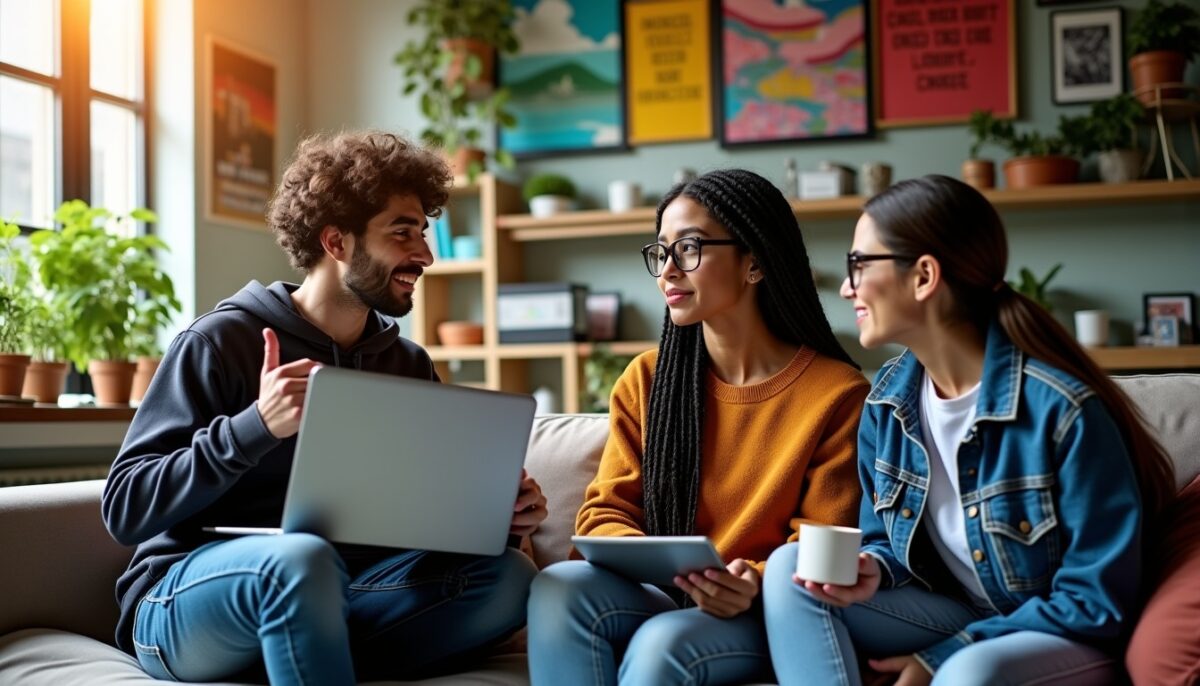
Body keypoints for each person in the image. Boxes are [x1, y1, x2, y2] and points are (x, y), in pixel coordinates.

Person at [100, 131, 547, 685]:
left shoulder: (407, 363)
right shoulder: (219, 341)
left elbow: (420, 522)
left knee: (507, 576)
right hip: (185, 602)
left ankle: (303, 648)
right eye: (402, 232)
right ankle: (302, 640)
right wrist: (252, 429)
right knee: (301, 561)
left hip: (347, 592)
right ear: (336, 242)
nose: (424, 254)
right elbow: (124, 510)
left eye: (423, 232)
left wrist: (494, 516)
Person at [762, 174, 1176, 686]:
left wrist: (943, 655)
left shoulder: (1062, 411)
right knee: (790, 568)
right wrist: (875, 568)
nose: (847, 287)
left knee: (969, 673)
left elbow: (1095, 603)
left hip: (1059, 632)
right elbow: (885, 541)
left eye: (859, 264)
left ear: (924, 276)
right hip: (955, 613)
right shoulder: (887, 404)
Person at [527, 168, 871, 686]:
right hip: (663, 590)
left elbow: (822, 544)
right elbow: (603, 513)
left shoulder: (837, 394)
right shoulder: (647, 378)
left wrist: (749, 583)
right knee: (559, 587)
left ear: (754, 262)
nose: (668, 269)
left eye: (688, 248)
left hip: (764, 611)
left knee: (664, 643)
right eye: (661, 251)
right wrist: (654, 563)